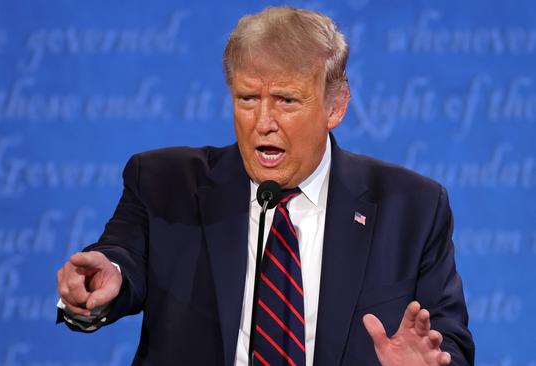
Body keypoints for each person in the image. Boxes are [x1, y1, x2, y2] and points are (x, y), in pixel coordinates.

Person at [56, 6, 474, 365]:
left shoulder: (412, 207)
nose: (263, 123)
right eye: (248, 99)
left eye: (286, 101)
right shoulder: (165, 183)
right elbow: (121, 258)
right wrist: (102, 279)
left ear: (336, 105)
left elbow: (447, 340)